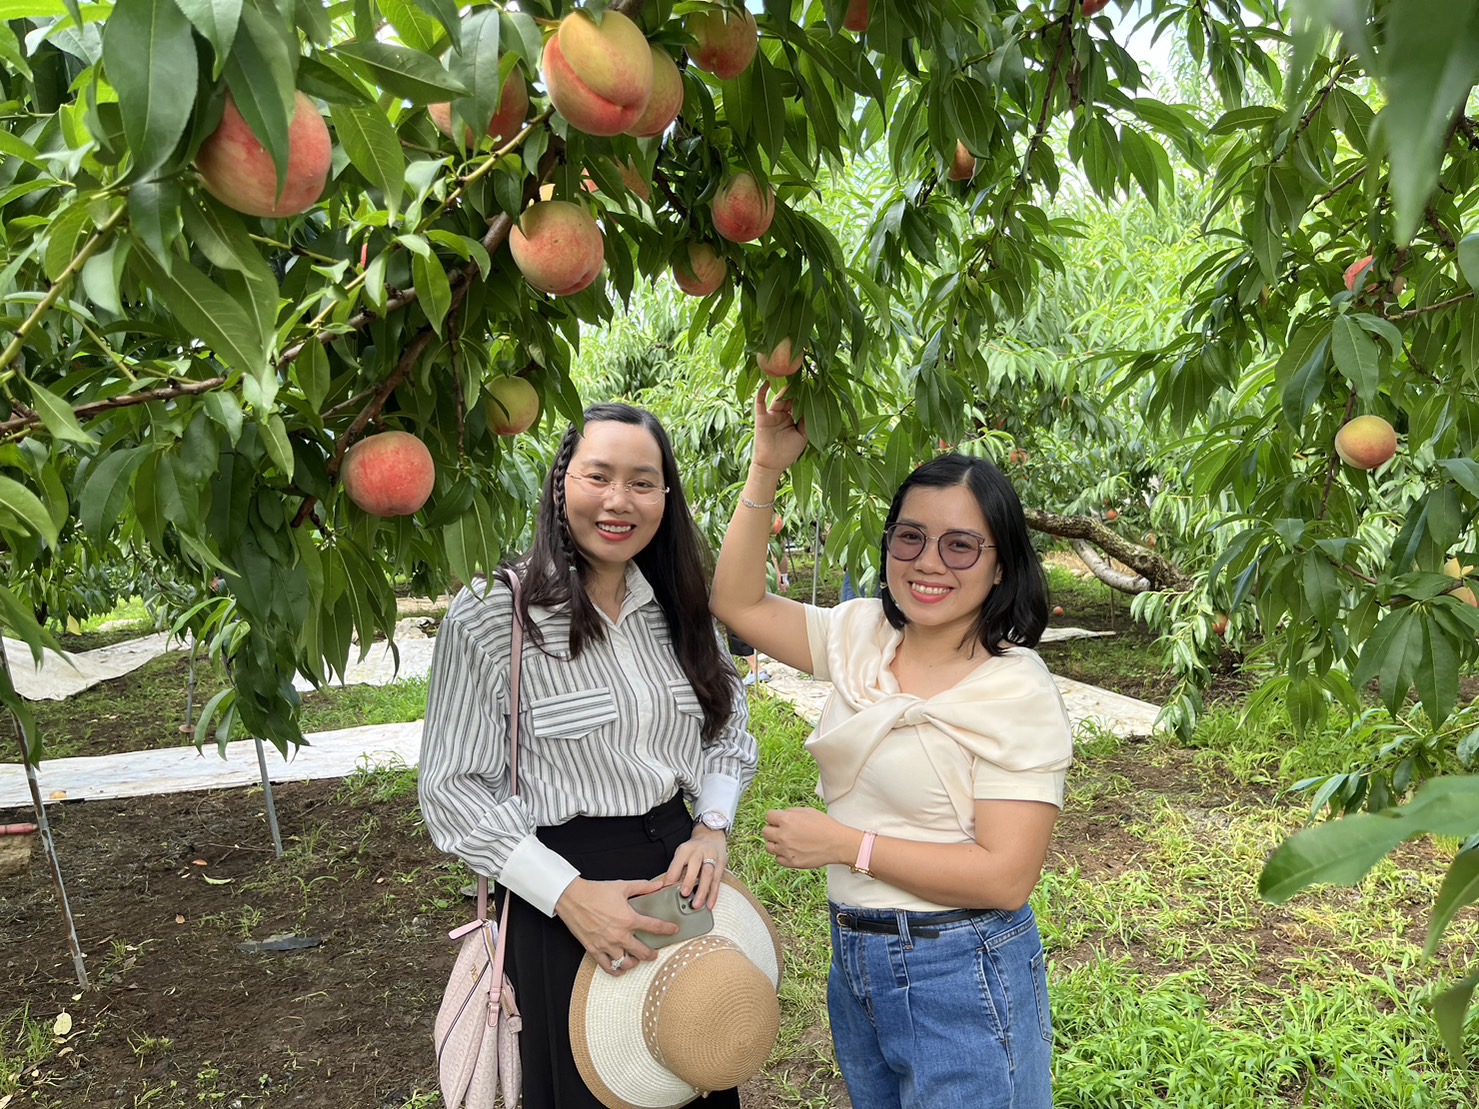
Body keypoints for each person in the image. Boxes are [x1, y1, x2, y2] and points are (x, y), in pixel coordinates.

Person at [710, 385, 1073, 1109]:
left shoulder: (1014, 690)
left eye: (960, 543)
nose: (928, 561)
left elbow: (1005, 877)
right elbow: (737, 601)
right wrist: (765, 466)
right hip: (859, 962)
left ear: (1000, 564)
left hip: (963, 966)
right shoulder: (860, 636)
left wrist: (847, 843)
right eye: (909, 536)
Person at [420, 402, 758, 1109]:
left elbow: (728, 729)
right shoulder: (492, 614)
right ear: (558, 484)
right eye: (597, 475)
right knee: (584, 1085)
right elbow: (451, 790)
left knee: (686, 1058)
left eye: (643, 482)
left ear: (666, 497)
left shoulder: (679, 607)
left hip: (675, 871)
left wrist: (712, 826)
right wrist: (568, 895)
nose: (617, 500)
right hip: (560, 895)